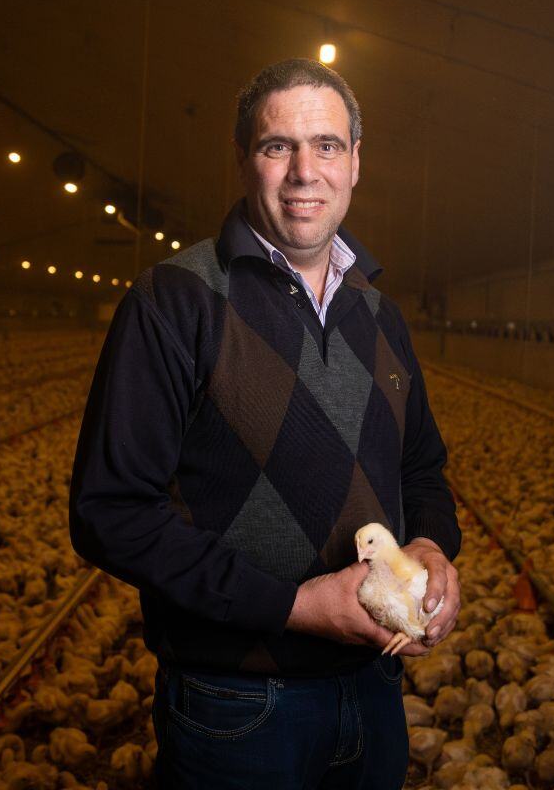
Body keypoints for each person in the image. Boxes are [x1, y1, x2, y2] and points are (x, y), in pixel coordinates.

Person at [69, 58, 460, 789]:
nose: (304, 171)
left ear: (355, 165)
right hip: (237, 704)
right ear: (246, 160)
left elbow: (422, 467)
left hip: (375, 693)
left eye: (328, 145)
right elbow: (110, 512)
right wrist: (291, 606)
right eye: (278, 146)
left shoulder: (381, 315)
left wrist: (435, 547)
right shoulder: (173, 302)